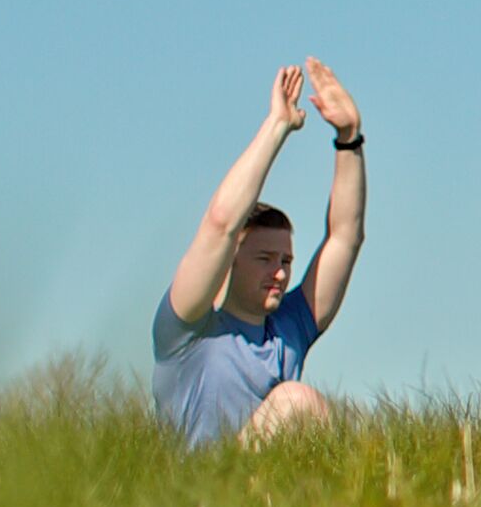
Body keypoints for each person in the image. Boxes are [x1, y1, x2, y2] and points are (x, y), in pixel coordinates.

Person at [153, 60, 366, 448]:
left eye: (286, 261)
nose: (280, 273)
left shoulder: (290, 329)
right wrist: (277, 126)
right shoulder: (187, 328)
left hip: (271, 483)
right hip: (200, 484)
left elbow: (344, 237)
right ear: (231, 260)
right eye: (265, 259)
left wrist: (349, 138)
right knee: (296, 402)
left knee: (304, 407)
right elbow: (220, 224)